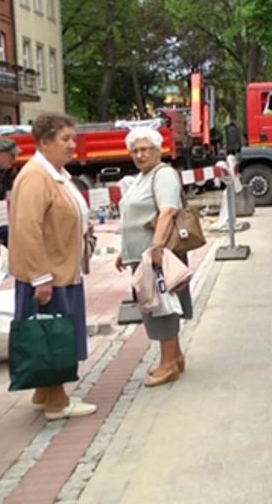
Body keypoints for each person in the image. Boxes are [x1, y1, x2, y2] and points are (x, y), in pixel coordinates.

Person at [8, 114, 96, 420]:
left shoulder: (56, 173)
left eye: (74, 138)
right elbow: (26, 227)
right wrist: (40, 276)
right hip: (49, 273)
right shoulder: (36, 176)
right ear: (44, 142)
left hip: (61, 268)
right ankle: (57, 401)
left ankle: (43, 391)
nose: (73, 145)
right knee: (52, 334)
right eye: (65, 139)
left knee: (51, 330)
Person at [115, 127, 193, 387]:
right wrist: (123, 250)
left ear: (159, 150)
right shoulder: (142, 177)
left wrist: (157, 248)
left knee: (160, 306)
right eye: (135, 150)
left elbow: (167, 211)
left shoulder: (163, 175)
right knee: (161, 303)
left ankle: (168, 363)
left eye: (146, 149)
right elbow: (134, 216)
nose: (140, 154)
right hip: (144, 254)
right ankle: (176, 356)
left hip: (156, 255)